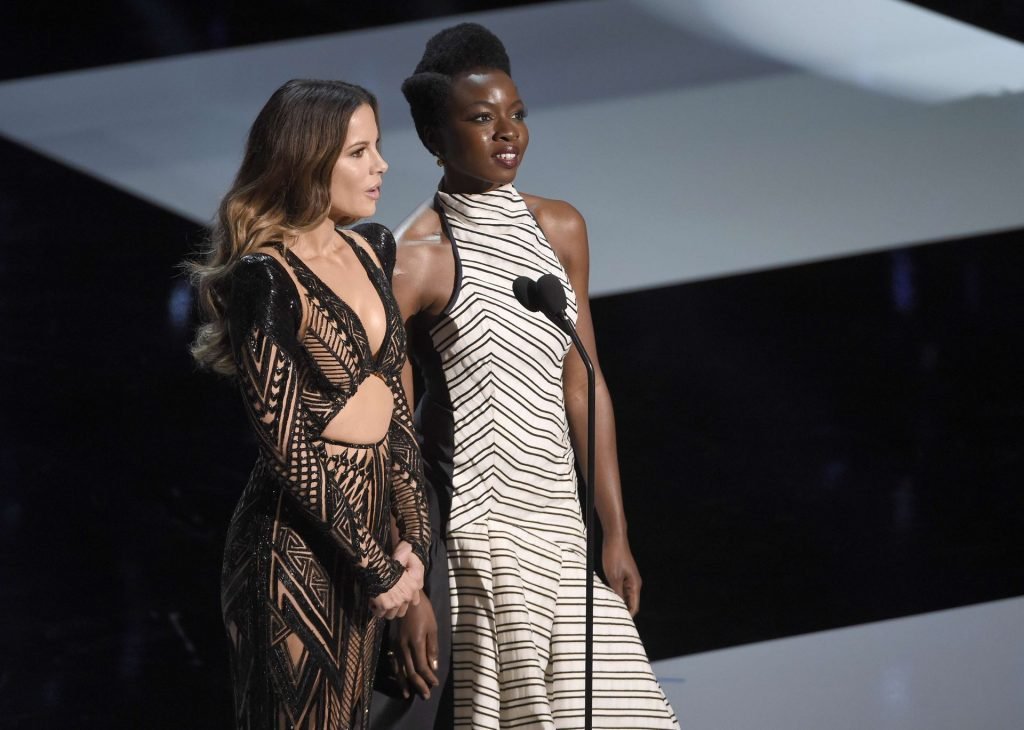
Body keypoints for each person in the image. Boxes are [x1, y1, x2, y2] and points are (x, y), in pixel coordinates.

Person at [372, 23, 679, 730]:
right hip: (477, 535)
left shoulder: (560, 228)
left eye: (517, 113)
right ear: (435, 137)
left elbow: (585, 384)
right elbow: (393, 437)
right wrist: (408, 578)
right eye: (482, 119)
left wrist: (614, 530)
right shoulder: (416, 258)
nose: (508, 133)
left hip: (561, 525)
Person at [187, 79, 431, 730]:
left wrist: (415, 542)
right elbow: (289, 449)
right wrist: (378, 567)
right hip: (292, 550)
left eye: (377, 147)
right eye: (359, 152)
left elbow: (396, 411)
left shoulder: (373, 248)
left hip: (369, 547)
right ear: (307, 160)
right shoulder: (265, 278)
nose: (381, 165)